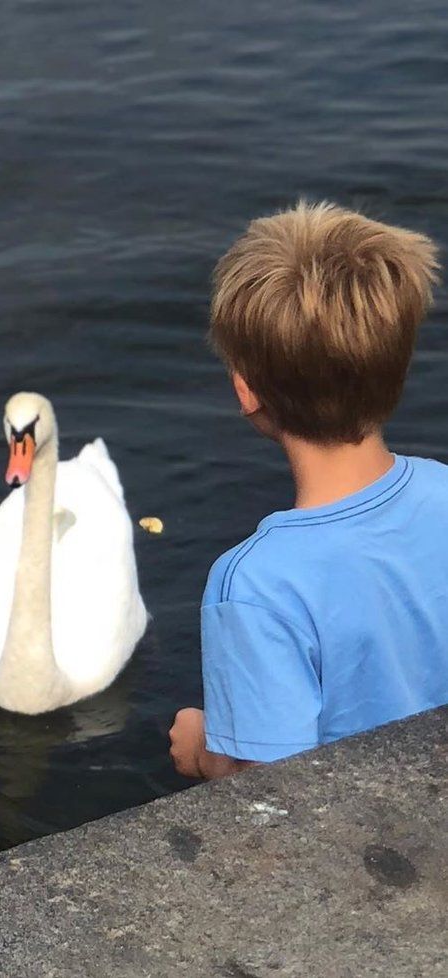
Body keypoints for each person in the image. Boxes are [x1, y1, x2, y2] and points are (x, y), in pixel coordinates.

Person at [170, 200, 447, 781]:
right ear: (394, 367)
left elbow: (269, 788)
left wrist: (200, 749)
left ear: (246, 391)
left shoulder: (254, 585)